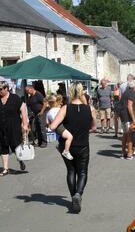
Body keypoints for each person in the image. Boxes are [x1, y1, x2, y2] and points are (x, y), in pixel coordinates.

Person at [50, 82, 97, 213]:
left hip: (67, 145)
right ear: (82, 92)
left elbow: (53, 126)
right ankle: (78, 195)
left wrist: (66, 132)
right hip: (83, 144)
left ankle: (73, 198)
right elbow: (94, 127)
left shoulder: (65, 108)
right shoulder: (90, 109)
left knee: (71, 171)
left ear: (70, 93)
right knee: (82, 172)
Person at [0, 81, 29, 176]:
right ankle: (5, 169)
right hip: (1, 128)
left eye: (0, 89)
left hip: (14, 126)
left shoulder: (15, 98)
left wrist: (25, 124)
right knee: (3, 147)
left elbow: (23, 110)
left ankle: (20, 160)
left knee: (15, 146)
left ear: (6, 89)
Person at [46, 95, 73, 160]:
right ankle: (66, 151)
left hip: (56, 128)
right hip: (60, 126)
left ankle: (60, 146)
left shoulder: (48, 112)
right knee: (70, 137)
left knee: (63, 137)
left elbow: (47, 123)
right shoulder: (59, 110)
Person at [118, 81, 135, 160]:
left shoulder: (126, 92)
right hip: (127, 116)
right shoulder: (131, 93)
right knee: (129, 135)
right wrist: (134, 119)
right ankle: (129, 154)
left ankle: (123, 153)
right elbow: (129, 106)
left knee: (125, 135)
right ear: (134, 86)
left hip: (123, 116)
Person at [25, 83, 48, 148]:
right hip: (35, 113)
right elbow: (28, 105)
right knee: (37, 128)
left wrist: (41, 111)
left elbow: (45, 103)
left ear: (31, 89)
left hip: (40, 113)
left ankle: (44, 142)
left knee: (42, 127)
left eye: (28, 90)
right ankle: (40, 142)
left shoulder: (38, 94)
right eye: (26, 91)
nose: (27, 92)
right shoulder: (30, 97)